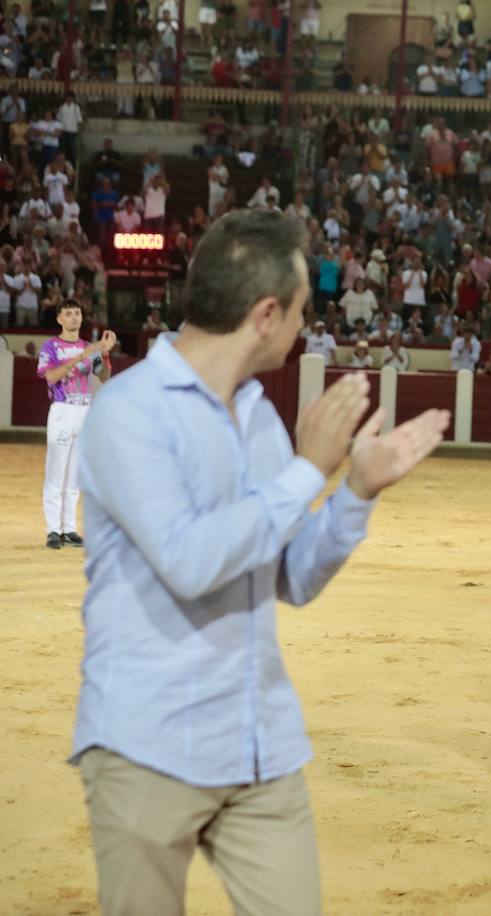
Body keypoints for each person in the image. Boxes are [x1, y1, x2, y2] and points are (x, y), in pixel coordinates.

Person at [70, 210, 450, 915]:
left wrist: (355, 493)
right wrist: (308, 472)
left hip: (257, 745)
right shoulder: (129, 413)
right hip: (146, 743)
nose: (307, 325)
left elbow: (293, 576)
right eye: (303, 310)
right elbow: (188, 560)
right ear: (267, 314)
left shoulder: (257, 417)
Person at [38, 301, 116, 549]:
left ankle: (69, 528)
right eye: (69, 314)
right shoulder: (51, 346)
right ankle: (53, 529)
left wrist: (104, 353)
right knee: (56, 471)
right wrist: (82, 356)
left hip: (84, 411)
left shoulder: (88, 347)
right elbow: (50, 377)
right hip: (62, 411)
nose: (74, 318)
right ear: (59, 319)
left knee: (74, 474)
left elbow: (103, 377)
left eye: (77, 313)